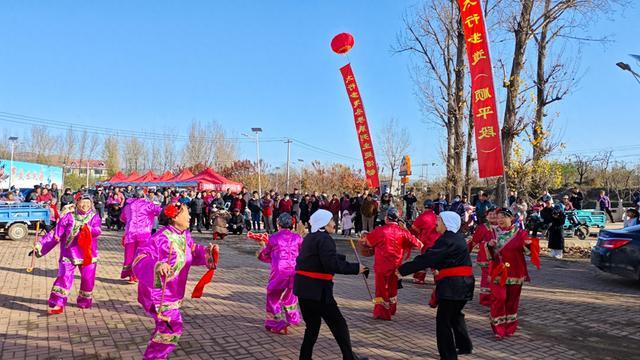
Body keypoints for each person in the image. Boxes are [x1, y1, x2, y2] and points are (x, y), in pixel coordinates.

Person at [133, 203, 218, 359]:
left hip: (173, 292)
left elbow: (191, 250)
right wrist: (157, 265)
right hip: (158, 293)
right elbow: (140, 258)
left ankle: (155, 356)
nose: (191, 216)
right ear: (175, 217)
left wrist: (207, 253)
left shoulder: (183, 235)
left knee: (164, 328)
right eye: (187, 213)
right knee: (172, 328)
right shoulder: (160, 238)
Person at [398, 211, 474, 360]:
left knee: (444, 321)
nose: (435, 223)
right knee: (455, 315)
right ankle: (465, 346)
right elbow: (442, 259)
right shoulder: (455, 238)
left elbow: (429, 257)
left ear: (446, 223)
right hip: (462, 285)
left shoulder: (447, 240)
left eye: (439, 220)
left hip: (454, 286)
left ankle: (448, 356)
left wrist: (402, 270)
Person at [294, 209, 367, 360]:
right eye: (332, 221)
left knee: (312, 327)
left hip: (304, 290)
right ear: (324, 224)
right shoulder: (325, 239)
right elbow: (331, 265)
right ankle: (349, 358)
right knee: (339, 325)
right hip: (318, 292)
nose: (334, 223)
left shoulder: (310, 237)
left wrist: (342, 258)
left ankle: (304, 358)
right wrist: (356, 268)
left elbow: (318, 258)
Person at [31, 194, 102, 314]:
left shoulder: (94, 217)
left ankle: (84, 300)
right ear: (77, 203)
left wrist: (88, 229)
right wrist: (40, 245)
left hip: (88, 254)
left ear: (91, 205)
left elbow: (98, 230)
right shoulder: (68, 217)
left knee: (87, 279)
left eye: (88, 203)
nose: (85, 205)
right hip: (69, 253)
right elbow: (56, 234)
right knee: (64, 277)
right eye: (82, 202)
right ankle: (58, 303)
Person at [360, 208, 421, 320]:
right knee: (393, 288)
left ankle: (382, 312)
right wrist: (406, 230)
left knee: (381, 288)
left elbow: (367, 243)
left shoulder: (381, 230)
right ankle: (392, 308)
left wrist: (363, 236)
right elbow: (418, 244)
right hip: (396, 266)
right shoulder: (402, 232)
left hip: (382, 266)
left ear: (387, 218)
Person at [486, 208, 534, 339]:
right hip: (498, 270)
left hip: (515, 271)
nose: (500, 220)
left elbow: (530, 252)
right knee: (499, 298)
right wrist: (489, 245)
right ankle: (498, 328)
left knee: (512, 301)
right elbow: (488, 254)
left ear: (511, 218)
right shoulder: (493, 232)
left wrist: (529, 244)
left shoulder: (520, 233)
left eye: (503, 217)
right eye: (498, 217)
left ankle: (510, 327)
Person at [256, 213, 304, 334]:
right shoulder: (298, 238)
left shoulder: (274, 238)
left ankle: (275, 322)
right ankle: (293, 318)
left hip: (279, 271)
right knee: (291, 295)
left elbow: (266, 255)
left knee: (273, 295)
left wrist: (261, 248)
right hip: (294, 270)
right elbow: (303, 254)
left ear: (279, 225)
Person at [120, 189, 162, 282]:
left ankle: (131, 276)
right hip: (143, 234)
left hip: (130, 233)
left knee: (130, 255)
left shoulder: (128, 206)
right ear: (144, 195)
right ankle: (137, 275)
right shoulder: (148, 205)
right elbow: (160, 211)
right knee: (141, 254)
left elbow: (122, 218)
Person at [466, 206, 497, 306]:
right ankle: (485, 298)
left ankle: (495, 296)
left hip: (498, 258)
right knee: (486, 277)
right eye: (490, 214)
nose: (492, 216)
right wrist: (466, 252)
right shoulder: (482, 227)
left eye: (494, 214)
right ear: (486, 216)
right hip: (486, 257)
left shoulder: (502, 228)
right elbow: (474, 241)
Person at [409, 200, 440, 284]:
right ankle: (438, 279)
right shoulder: (436, 217)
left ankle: (419, 278)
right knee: (436, 261)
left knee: (423, 260)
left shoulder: (422, 217)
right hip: (437, 241)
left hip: (426, 242)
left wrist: (419, 232)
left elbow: (414, 227)